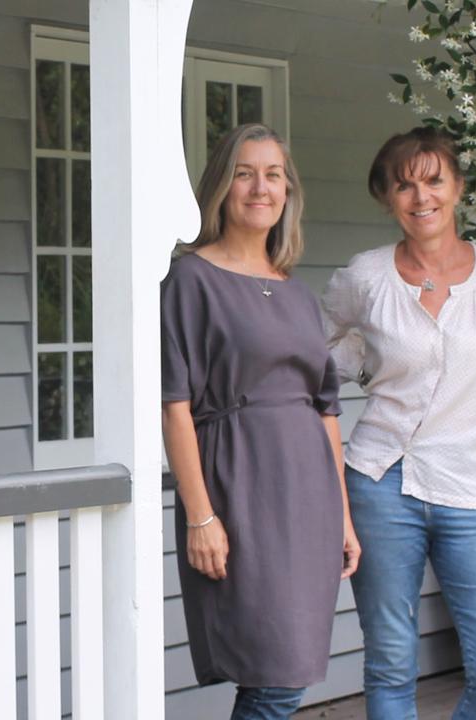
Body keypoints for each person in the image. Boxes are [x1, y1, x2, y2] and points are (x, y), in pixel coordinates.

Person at [321, 126, 476, 720]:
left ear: (458, 186)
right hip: (379, 483)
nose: (420, 197)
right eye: (404, 185)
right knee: (392, 663)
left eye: (433, 180)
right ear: (387, 198)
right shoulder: (366, 277)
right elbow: (317, 353)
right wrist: (362, 360)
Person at [161, 123, 361, 720]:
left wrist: (344, 516)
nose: (260, 187)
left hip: (309, 496)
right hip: (239, 486)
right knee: (273, 676)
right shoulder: (190, 279)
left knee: (288, 673)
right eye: (245, 173)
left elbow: (325, 406)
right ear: (222, 186)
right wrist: (200, 515)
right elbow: (174, 404)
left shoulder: (297, 293)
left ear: (287, 191)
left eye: (273, 175)